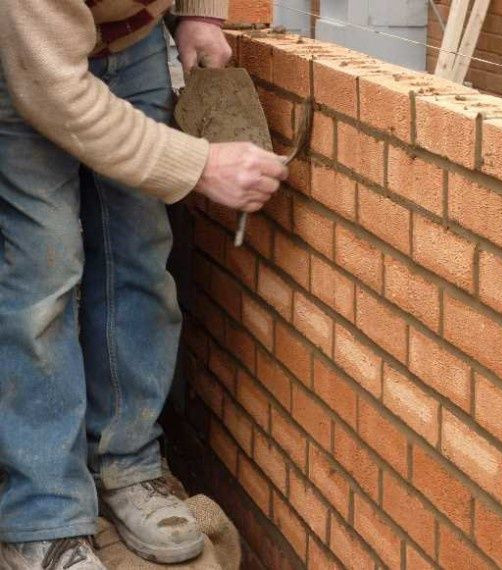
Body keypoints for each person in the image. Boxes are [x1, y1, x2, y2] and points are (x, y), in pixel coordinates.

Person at [0, 1, 288, 568]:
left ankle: (127, 466)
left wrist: (198, 12)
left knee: (139, 258)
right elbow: (54, 89)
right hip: (30, 63)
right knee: (43, 279)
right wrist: (200, 166)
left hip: (134, 48)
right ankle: (42, 512)